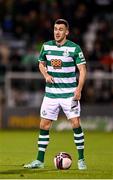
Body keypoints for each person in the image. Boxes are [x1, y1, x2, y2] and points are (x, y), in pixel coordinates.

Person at [24, 19, 87, 170]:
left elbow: (83, 70)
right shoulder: (46, 46)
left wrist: (79, 89)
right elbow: (41, 63)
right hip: (51, 94)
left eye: (60, 29)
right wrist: (45, 74)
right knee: (44, 125)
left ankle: (81, 160)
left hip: (68, 94)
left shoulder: (74, 48)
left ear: (67, 32)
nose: (57, 32)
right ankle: (39, 161)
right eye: (55, 29)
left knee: (75, 123)